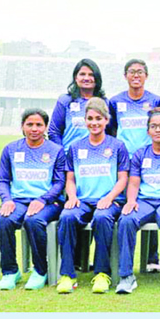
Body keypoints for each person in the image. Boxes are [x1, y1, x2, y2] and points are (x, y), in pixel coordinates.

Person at [56, 97, 129, 294]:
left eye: (99, 118)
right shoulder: (75, 147)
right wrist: (71, 197)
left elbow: (123, 178)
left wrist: (109, 197)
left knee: (102, 217)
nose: (94, 123)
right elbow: (70, 179)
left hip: (109, 201)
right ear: (85, 120)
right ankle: (67, 275)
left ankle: (102, 273)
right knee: (67, 216)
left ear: (107, 120)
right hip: (83, 201)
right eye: (90, 118)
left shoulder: (117, 146)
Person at [115, 108, 160, 295]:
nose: (158, 130)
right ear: (147, 131)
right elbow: (133, 183)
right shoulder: (140, 154)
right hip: (145, 201)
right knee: (126, 219)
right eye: (153, 126)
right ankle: (126, 277)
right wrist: (130, 201)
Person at [0, 109, 66, 290]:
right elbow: (2, 180)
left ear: (45, 127)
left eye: (39, 125)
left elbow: (59, 182)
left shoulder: (56, 150)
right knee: (3, 221)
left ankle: (40, 270)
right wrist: (7, 200)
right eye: (30, 124)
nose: (34, 129)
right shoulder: (11, 149)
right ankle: (11, 271)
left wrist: (43, 199)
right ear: (22, 126)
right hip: (18, 201)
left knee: (33, 220)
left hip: (48, 203)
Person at [109, 59, 160, 273]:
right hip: (124, 162)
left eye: (140, 72)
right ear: (125, 76)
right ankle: (123, 259)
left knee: (151, 202)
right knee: (129, 206)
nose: (136, 76)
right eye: (131, 72)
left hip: (149, 160)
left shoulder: (155, 99)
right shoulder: (115, 102)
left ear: (146, 76)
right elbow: (111, 130)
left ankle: (152, 257)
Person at [49, 58, 108, 153]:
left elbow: (111, 132)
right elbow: (54, 131)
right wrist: (62, 156)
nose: (86, 78)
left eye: (91, 75)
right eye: (82, 74)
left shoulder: (104, 103)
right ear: (76, 78)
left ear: (97, 78)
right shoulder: (65, 101)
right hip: (70, 157)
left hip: (97, 157)